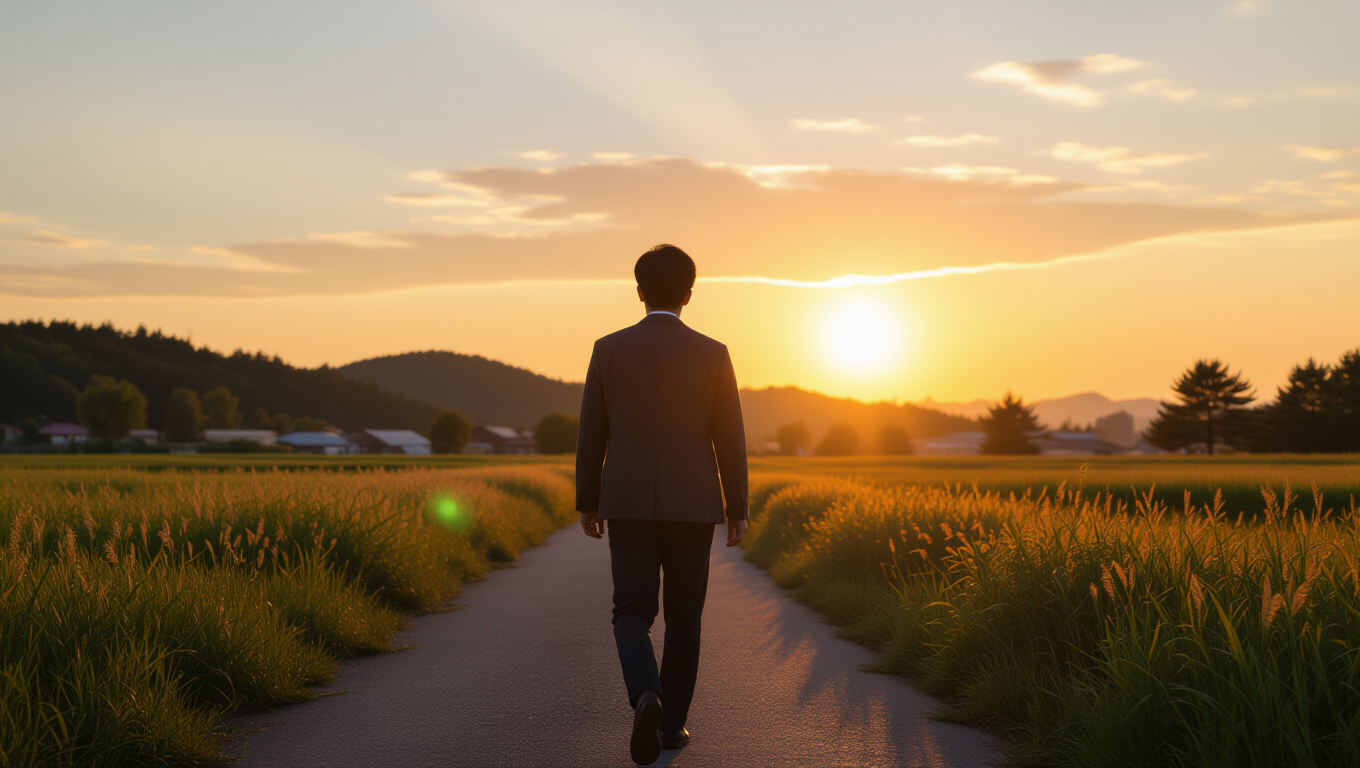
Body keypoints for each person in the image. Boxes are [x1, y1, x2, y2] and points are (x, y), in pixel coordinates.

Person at [576, 244, 749, 766]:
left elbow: (592, 433)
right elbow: (730, 436)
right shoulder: (713, 352)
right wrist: (736, 506)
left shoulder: (608, 349)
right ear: (689, 295)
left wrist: (589, 500)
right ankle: (671, 728)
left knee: (630, 611)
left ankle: (645, 694)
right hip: (694, 503)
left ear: (638, 291)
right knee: (685, 618)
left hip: (626, 501)